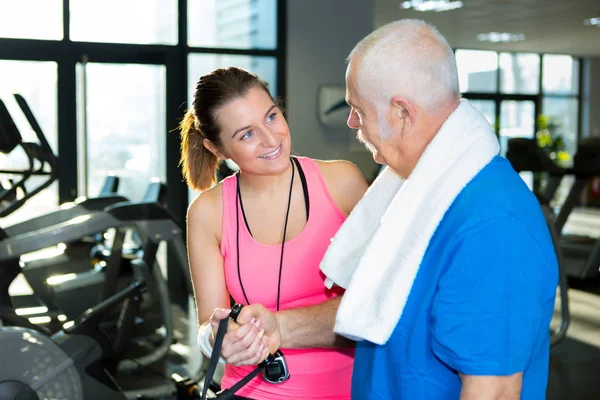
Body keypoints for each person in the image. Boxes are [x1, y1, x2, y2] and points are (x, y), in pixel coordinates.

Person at [316, 19, 558, 399]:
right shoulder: (419, 192)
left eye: (358, 109)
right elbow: (376, 310)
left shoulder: (491, 227)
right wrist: (278, 328)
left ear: (402, 113)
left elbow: (492, 391)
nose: (351, 122)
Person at [179, 67, 368, 399]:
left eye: (271, 117)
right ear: (217, 149)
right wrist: (219, 339)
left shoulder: (342, 182)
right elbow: (209, 325)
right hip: (254, 392)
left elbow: (384, 298)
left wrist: (281, 327)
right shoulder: (208, 213)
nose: (271, 139)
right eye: (247, 134)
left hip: (350, 388)